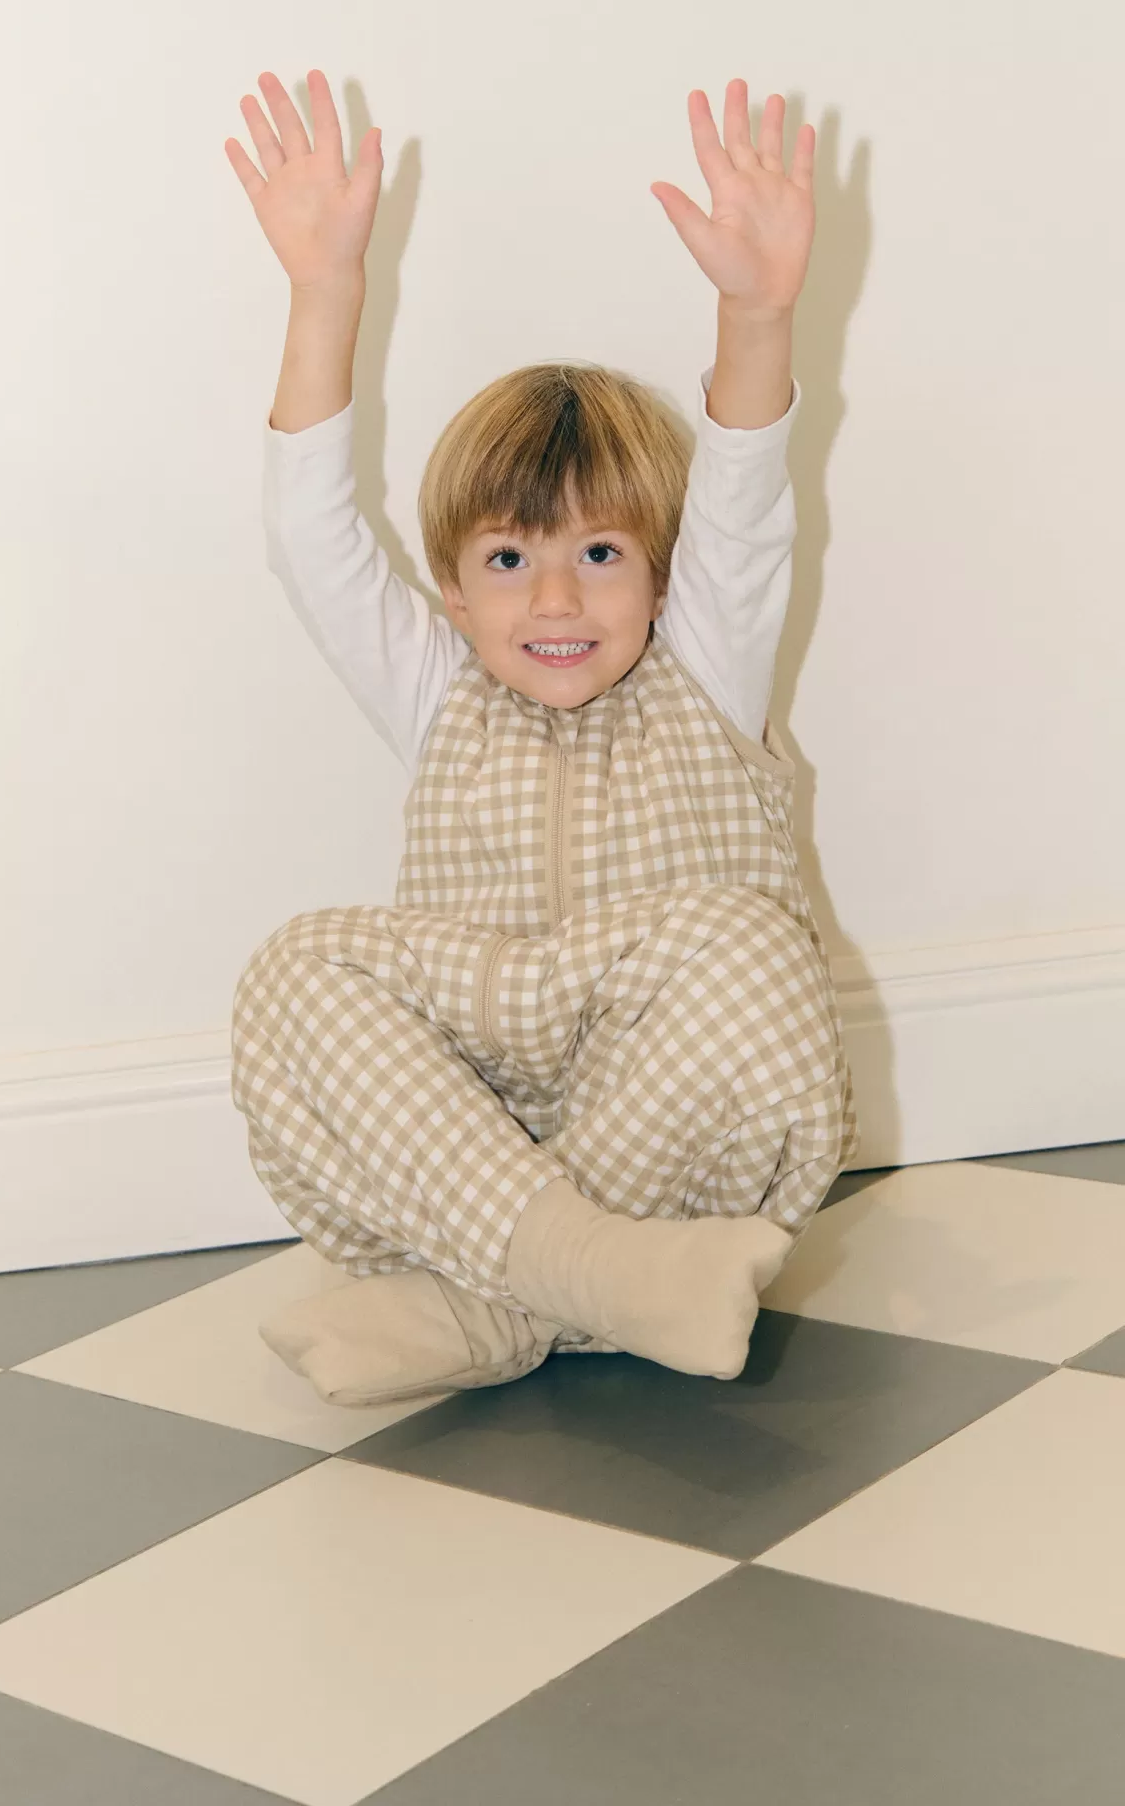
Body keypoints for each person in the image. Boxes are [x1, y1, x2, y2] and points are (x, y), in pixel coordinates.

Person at [223, 69, 859, 1408]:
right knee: (294, 967)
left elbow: (751, 490)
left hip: (675, 1126)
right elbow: (310, 540)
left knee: (750, 948)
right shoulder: (434, 684)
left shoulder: (709, 660)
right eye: (510, 557)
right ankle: (599, 1281)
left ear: (666, 576)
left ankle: (487, 1308)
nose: (556, 599)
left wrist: (759, 309)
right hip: (477, 1112)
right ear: (452, 589)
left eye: (601, 553)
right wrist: (325, 293)